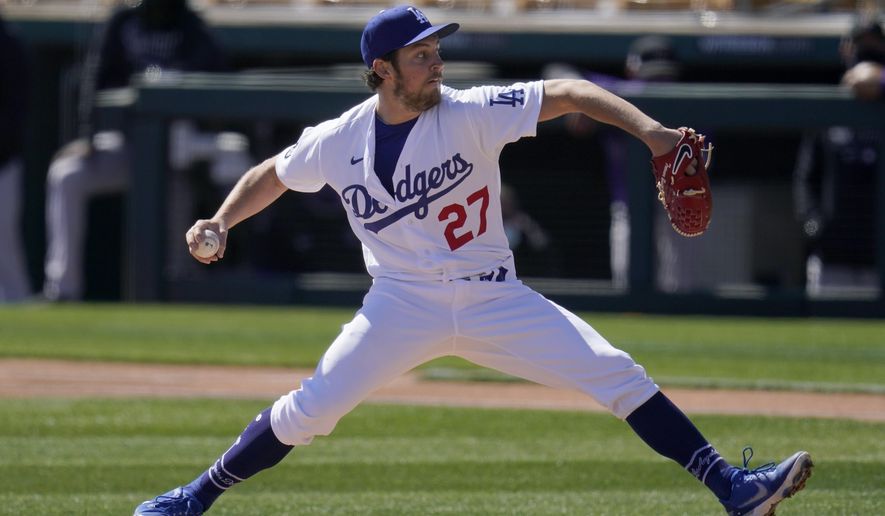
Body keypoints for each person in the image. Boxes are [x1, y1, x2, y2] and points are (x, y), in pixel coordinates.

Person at [135, 6, 813, 515]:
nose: (436, 62)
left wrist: (653, 135)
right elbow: (272, 172)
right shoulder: (336, 139)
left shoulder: (471, 112)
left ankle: (732, 488)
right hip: (399, 303)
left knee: (616, 373)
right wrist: (221, 219)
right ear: (382, 71)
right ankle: (191, 499)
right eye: (420, 54)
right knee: (309, 411)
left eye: (436, 50)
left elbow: (571, 92)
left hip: (494, 297)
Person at [42, 0, 251, 301]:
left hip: (179, 150)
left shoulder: (192, 26)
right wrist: (87, 137)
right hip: (128, 144)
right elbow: (95, 80)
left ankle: (198, 282)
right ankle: (62, 289)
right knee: (67, 175)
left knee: (208, 168)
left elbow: (218, 84)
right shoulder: (123, 21)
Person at [543, 35, 683, 290]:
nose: (658, 84)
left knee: (679, 288)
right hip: (627, 205)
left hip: (680, 209)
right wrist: (576, 104)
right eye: (651, 78)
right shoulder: (615, 94)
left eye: (664, 77)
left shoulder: (686, 102)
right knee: (627, 288)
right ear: (632, 70)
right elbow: (556, 71)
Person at [793, 19, 884, 297]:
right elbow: (806, 177)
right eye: (860, 45)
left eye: (874, 46)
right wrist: (814, 225)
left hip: (878, 252)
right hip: (834, 254)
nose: (866, 53)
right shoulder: (829, 112)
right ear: (847, 49)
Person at [0, 12, 31, 302]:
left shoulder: (8, 43)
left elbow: (16, 109)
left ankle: (18, 304)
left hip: (3, 160)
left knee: (3, 243)